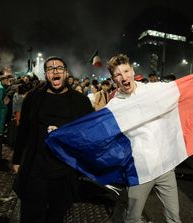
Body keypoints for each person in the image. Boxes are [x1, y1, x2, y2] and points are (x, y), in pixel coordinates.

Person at [12, 56, 94, 223]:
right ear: (45, 75)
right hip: (36, 167)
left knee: (56, 216)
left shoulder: (81, 101)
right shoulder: (33, 98)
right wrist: (16, 159)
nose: (55, 70)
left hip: (65, 170)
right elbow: (24, 130)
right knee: (31, 215)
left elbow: (89, 134)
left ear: (66, 73)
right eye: (50, 68)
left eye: (59, 68)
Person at [107, 54, 182, 223]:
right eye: (118, 75)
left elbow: (185, 87)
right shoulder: (113, 106)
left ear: (133, 71)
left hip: (165, 167)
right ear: (113, 79)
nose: (124, 77)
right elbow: (95, 130)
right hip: (139, 171)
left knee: (174, 217)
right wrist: (63, 132)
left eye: (126, 71)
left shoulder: (152, 89)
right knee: (133, 219)